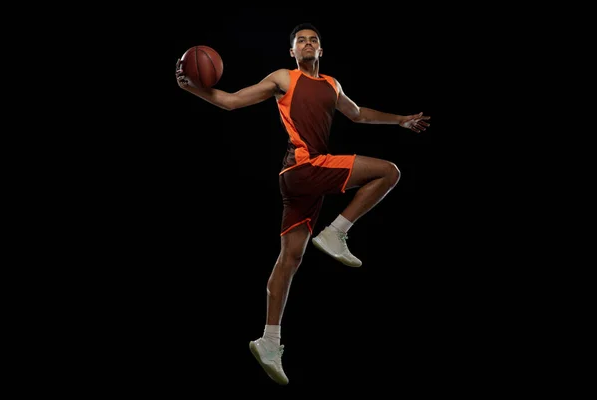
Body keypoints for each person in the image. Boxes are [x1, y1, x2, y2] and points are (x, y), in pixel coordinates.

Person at [176, 22, 430, 385]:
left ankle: (269, 340)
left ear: (321, 51)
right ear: (292, 52)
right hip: (304, 166)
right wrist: (192, 88)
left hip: (301, 182)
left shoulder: (332, 85)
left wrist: (400, 121)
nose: (308, 44)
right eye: (301, 41)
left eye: (314, 40)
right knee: (389, 172)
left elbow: (357, 114)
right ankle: (337, 232)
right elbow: (231, 101)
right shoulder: (284, 77)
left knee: (290, 259)